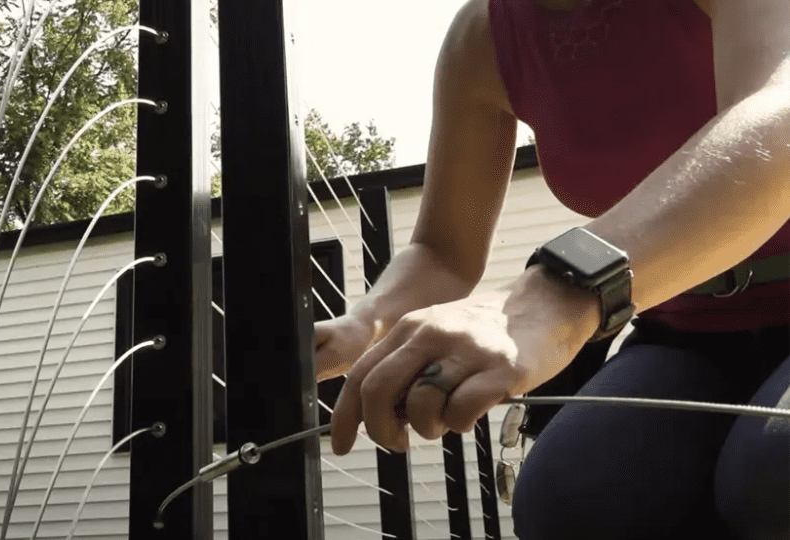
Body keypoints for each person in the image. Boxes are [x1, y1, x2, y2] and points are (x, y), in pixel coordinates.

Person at [317, 0, 790, 538]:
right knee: (572, 501)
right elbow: (443, 252)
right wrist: (368, 321)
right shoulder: (483, 38)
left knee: (773, 471)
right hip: (688, 328)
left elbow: (781, 113)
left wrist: (560, 292)